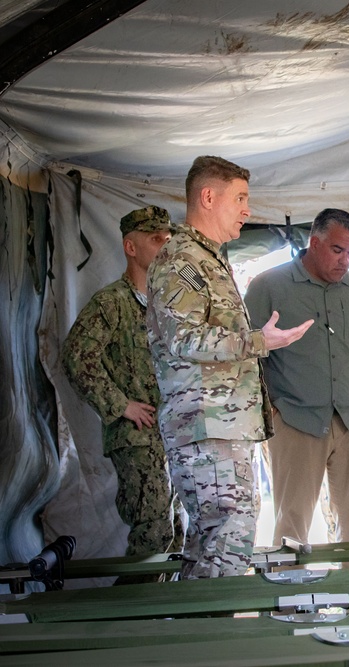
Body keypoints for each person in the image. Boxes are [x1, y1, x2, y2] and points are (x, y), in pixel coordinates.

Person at [147, 155, 312, 579]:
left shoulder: (206, 258)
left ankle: (194, 637)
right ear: (207, 197)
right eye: (239, 198)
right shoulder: (182, 261)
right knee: (229, 538)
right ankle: (211, 641)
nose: (247, 209)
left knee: (212, 544)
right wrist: (260, 341)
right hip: (207, 427)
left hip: (220, 427)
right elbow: (184, 339)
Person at [244, 208, 349, 559]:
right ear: (314, 242)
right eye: (338, 250)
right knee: (291, 526)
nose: (346, 261)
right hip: (295, 420)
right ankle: (289, 605)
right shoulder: (268, 287)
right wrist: (271, 412)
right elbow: (247, 358)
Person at [63, 206, 176, 580]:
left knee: (173, 535)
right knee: (152, 534)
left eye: (169, 238)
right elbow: (77, 358)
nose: (165, 246)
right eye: (155, 239)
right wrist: (120, 405)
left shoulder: (170, 303)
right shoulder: (111, 302)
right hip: (137, 439)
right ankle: (133, 622)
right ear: (131, 246)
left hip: (174, 434)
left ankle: (164, 617)